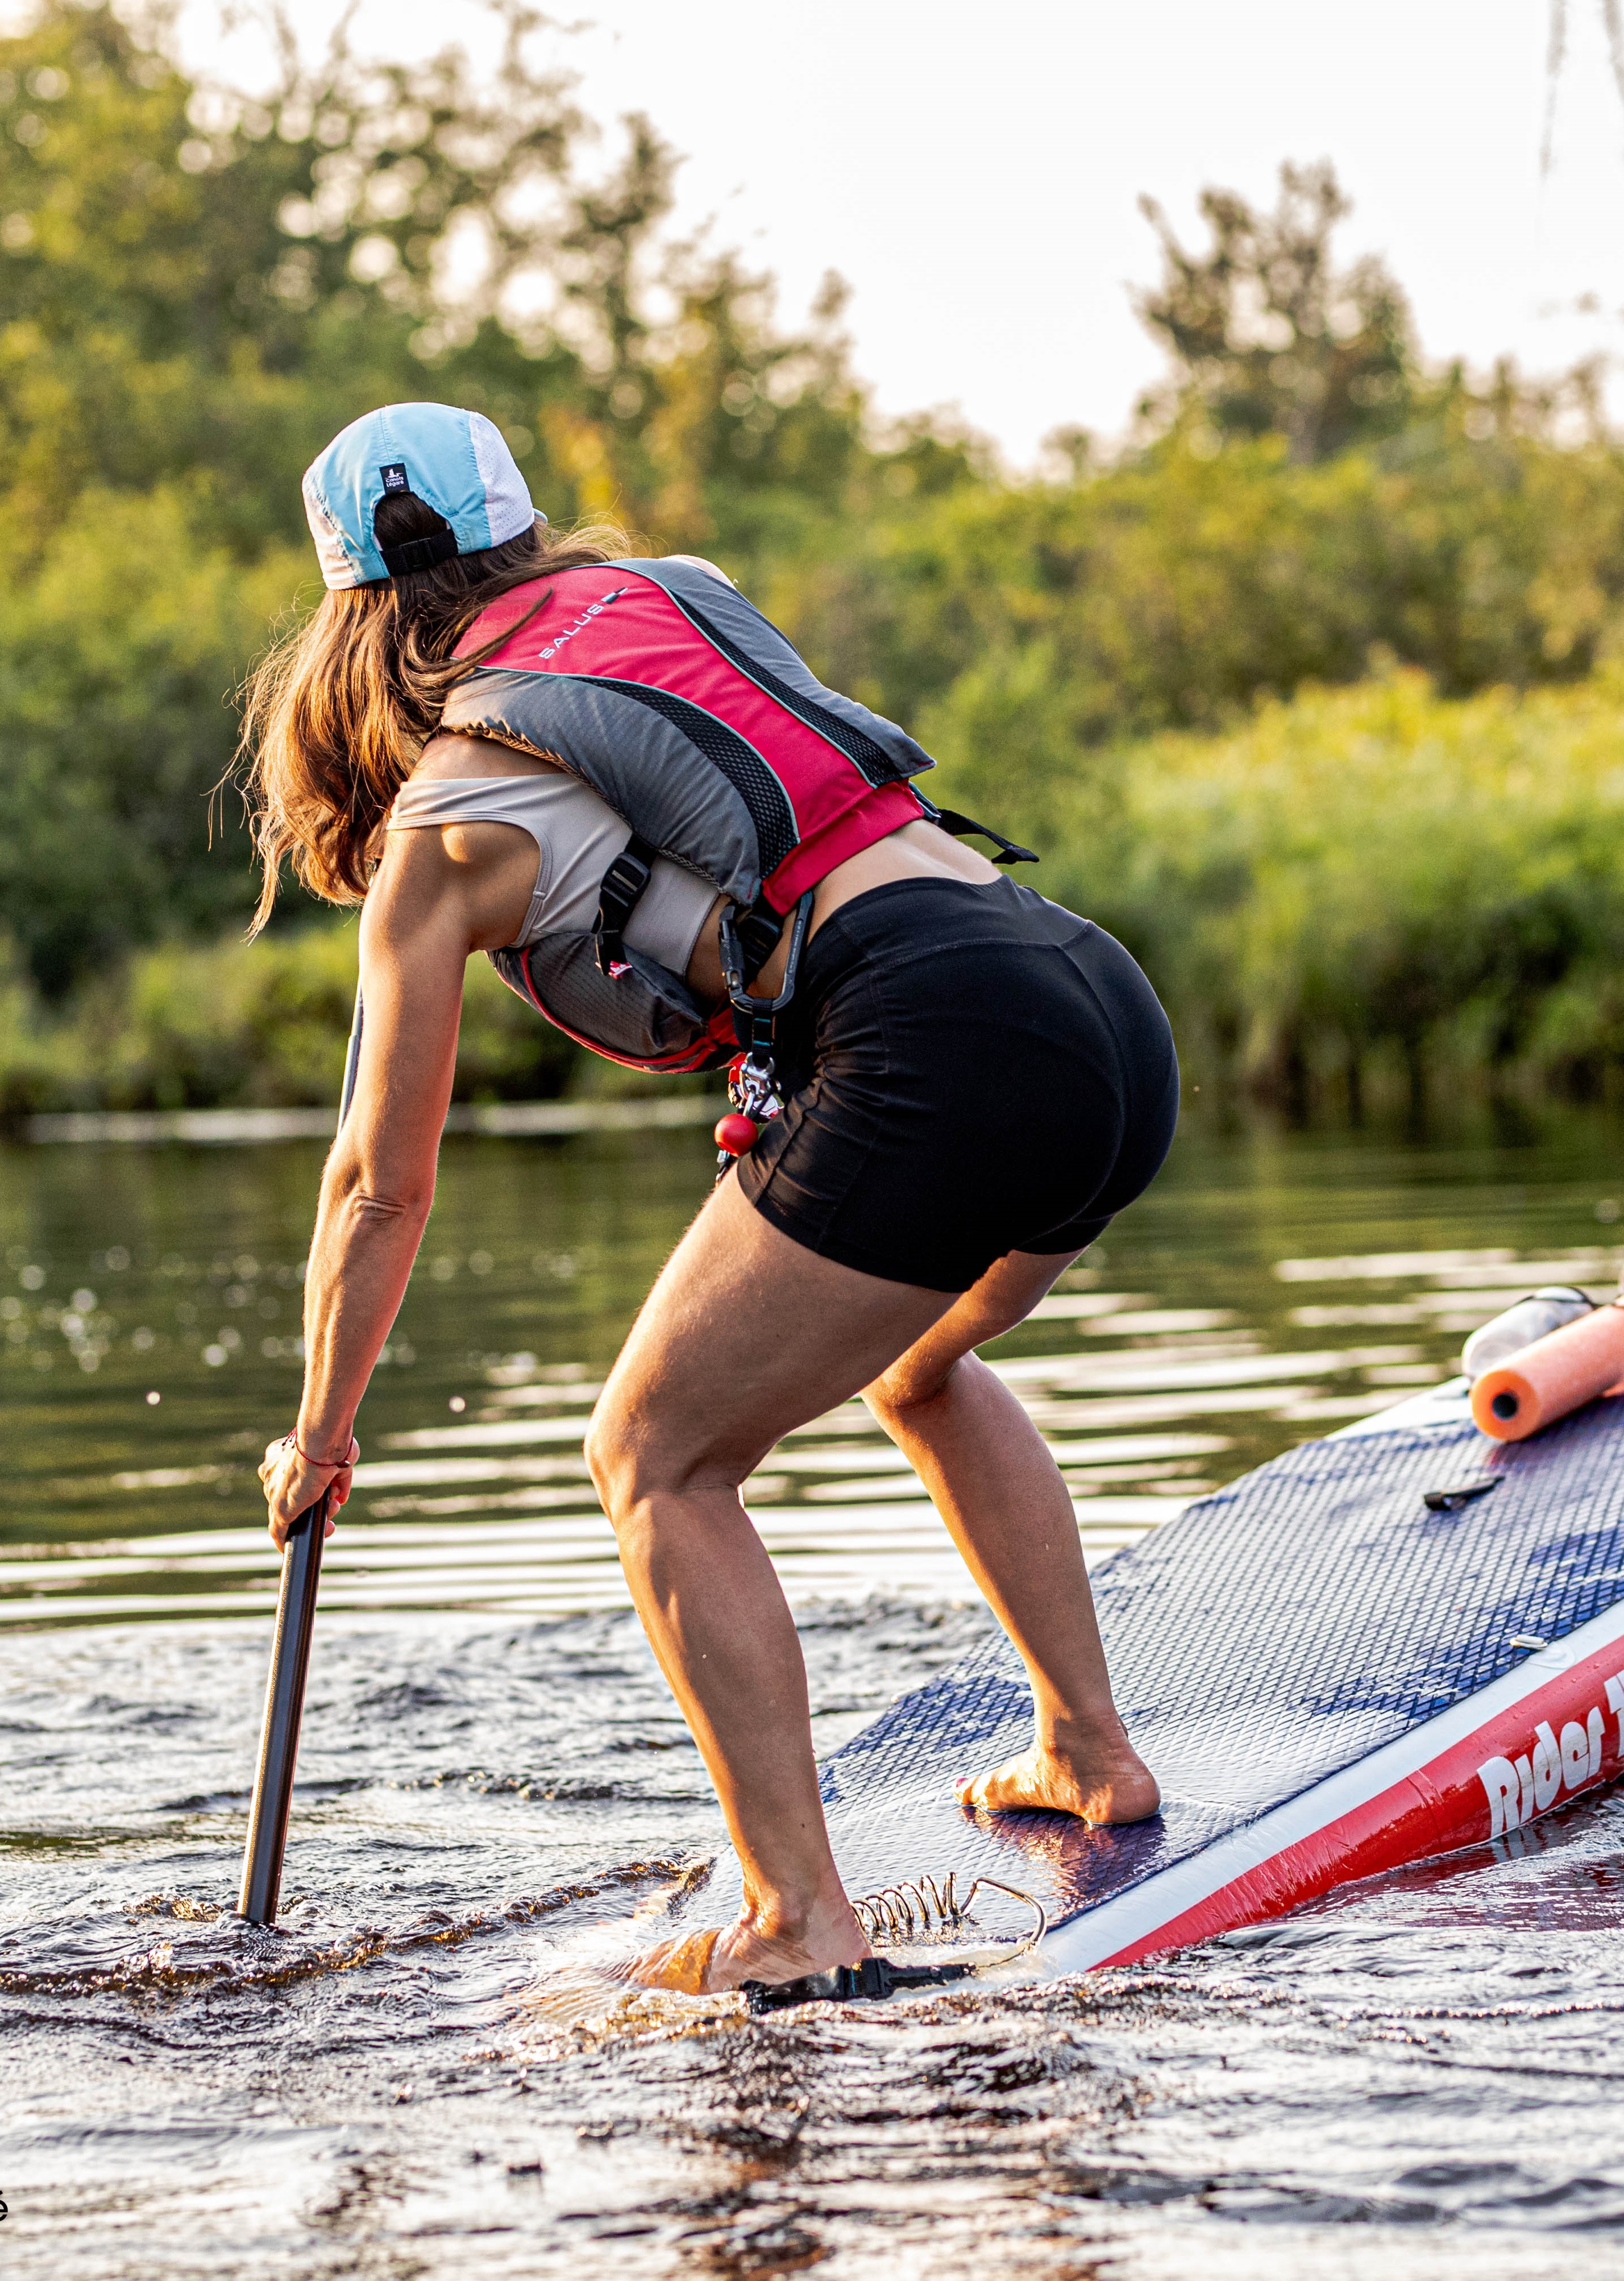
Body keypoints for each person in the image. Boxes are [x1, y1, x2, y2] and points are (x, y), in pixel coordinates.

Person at [247, 404, 1177, 1994]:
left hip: (930, 1028)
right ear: (526, 536)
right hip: (1086, 987)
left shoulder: (436, 834)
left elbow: (376, 1189)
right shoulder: (676, 591)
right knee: (920, 1360)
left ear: (349, 623)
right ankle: (1090, 1752)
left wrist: (322, 1431)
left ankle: (796, 1921)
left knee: (652, 1456)